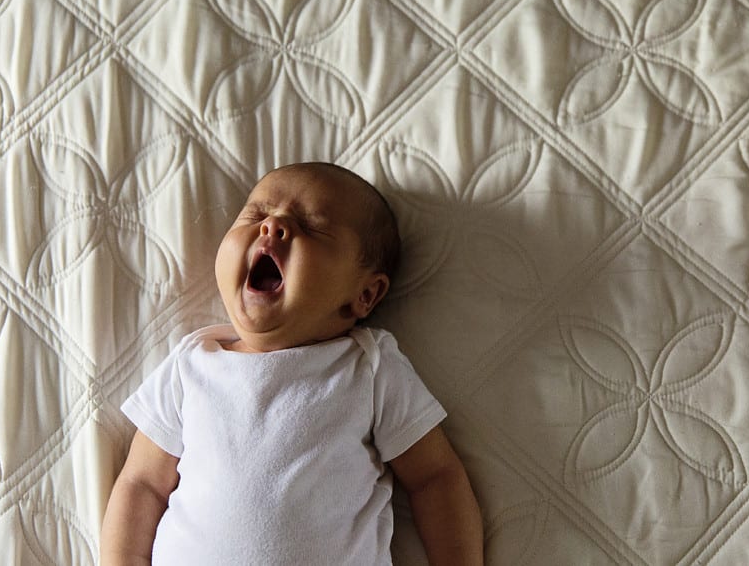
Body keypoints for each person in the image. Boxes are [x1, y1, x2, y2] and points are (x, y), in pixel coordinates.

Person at [100, 162, 483, 565]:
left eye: (312, 225)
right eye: (256, 213)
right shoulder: (192, 364)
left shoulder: (368, 367)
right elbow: (141, 483)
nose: (273, 226)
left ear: (366, 294)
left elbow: (435, 479)